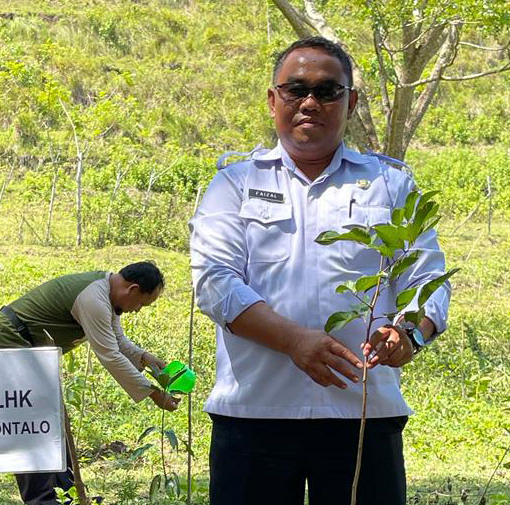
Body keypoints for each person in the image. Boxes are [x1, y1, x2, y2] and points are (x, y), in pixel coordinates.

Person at [189, 37, 452, 505]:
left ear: (351, 102)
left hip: (363, 417)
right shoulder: (234, 183)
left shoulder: (390, 184)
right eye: (295, 89)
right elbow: (214, 285)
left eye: (328, 90)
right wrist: (293, 341)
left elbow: (426, 277)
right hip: (254, 414)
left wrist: (410, 333)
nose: (310, 102)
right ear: (273, 100)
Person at [0, 261, 179, 505]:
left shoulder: (107, 295)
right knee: (29, 424)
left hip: (31, 350)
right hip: (10, 343)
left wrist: (144, 357)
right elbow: (110, 355)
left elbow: (117, 340)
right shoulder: (94, 299)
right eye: (142, 304)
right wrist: (154, 394)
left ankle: (67, 494)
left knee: (49, 419)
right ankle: (41, 500)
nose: (137, 310)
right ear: (133, 289)